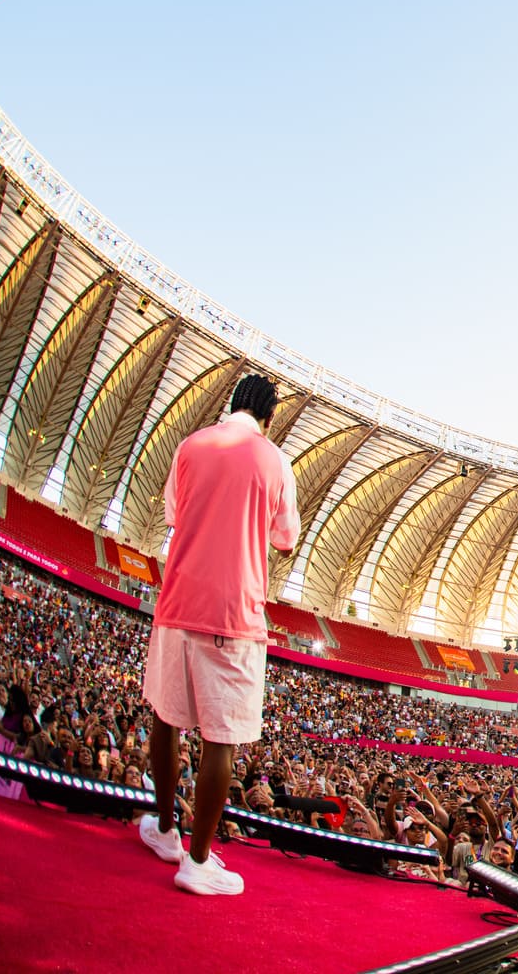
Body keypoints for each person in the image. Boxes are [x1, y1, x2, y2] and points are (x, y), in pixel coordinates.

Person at [137, 375, 299, 896]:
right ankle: (199, 861)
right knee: (220, 740)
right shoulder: (275, 461)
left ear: (232, 405)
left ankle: (166, 831)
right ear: (269, 417)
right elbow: (286, 541)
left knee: (166, 718)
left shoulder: (191, 445)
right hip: (234, 614)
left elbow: (174, 513)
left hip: (177, 601)